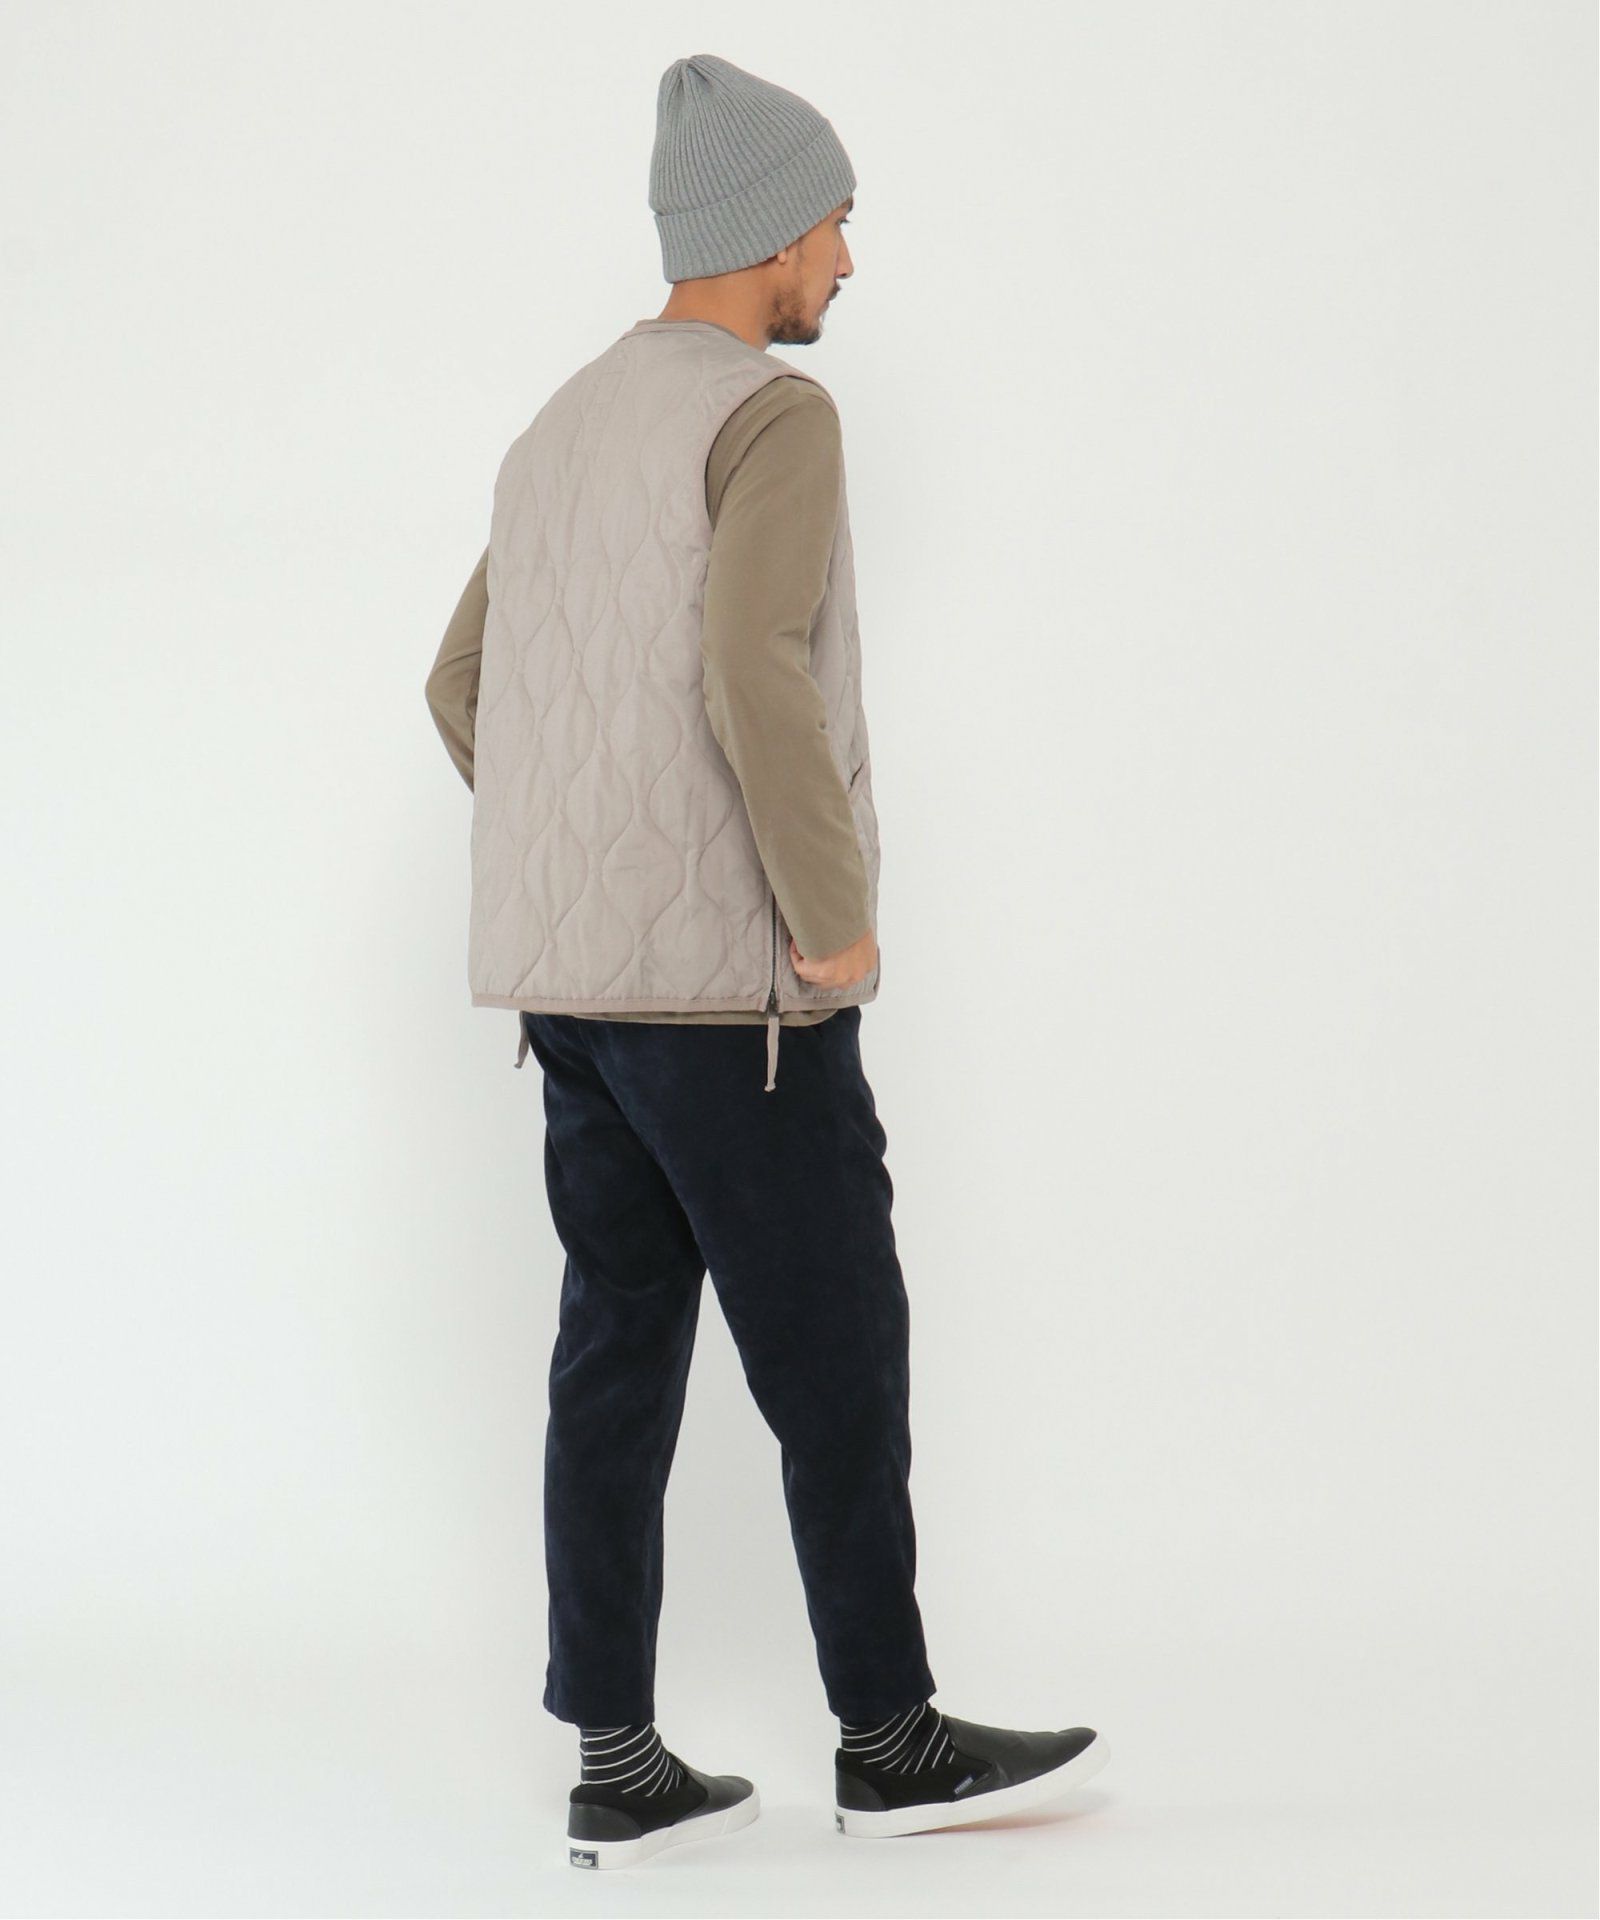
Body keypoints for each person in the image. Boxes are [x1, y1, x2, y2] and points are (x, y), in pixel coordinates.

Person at [425, 51, 1107, 1872]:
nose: (848, 264)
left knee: (613, 1357)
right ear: (768, 232)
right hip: (739, 1005)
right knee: (837, 1350)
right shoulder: (770, 417)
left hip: (574, 1002)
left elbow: (461, 684)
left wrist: (589, 849)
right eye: (836, 225)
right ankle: (889, 1740)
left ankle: (616, 1762)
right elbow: (752, 667)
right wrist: (833, 914)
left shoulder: (558, 428)